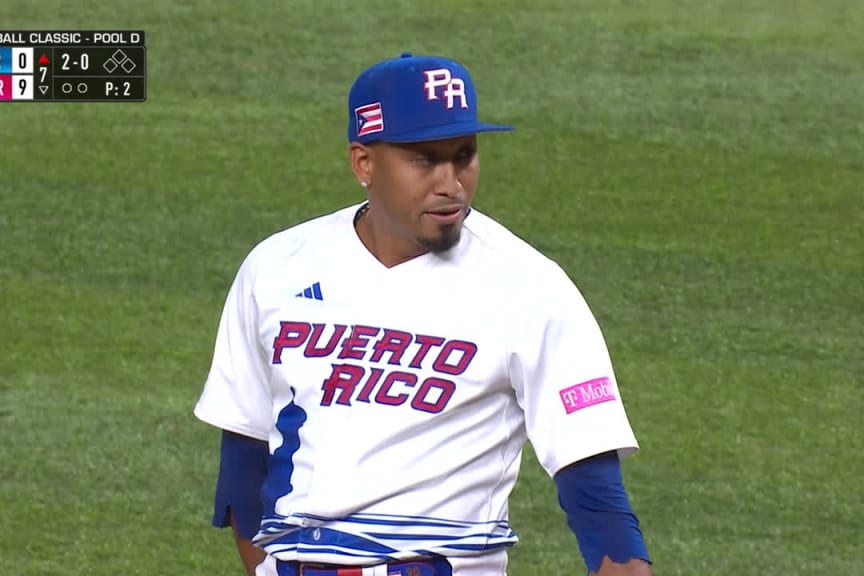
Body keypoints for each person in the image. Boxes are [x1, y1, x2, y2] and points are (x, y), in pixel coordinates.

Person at [194, 52, 653, 576]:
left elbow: (600, 507)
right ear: (364, 163)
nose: (451, 182)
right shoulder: (276, 268)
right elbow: (241, 471)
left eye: (464, 155)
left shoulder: (530, 288)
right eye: (424, 159)